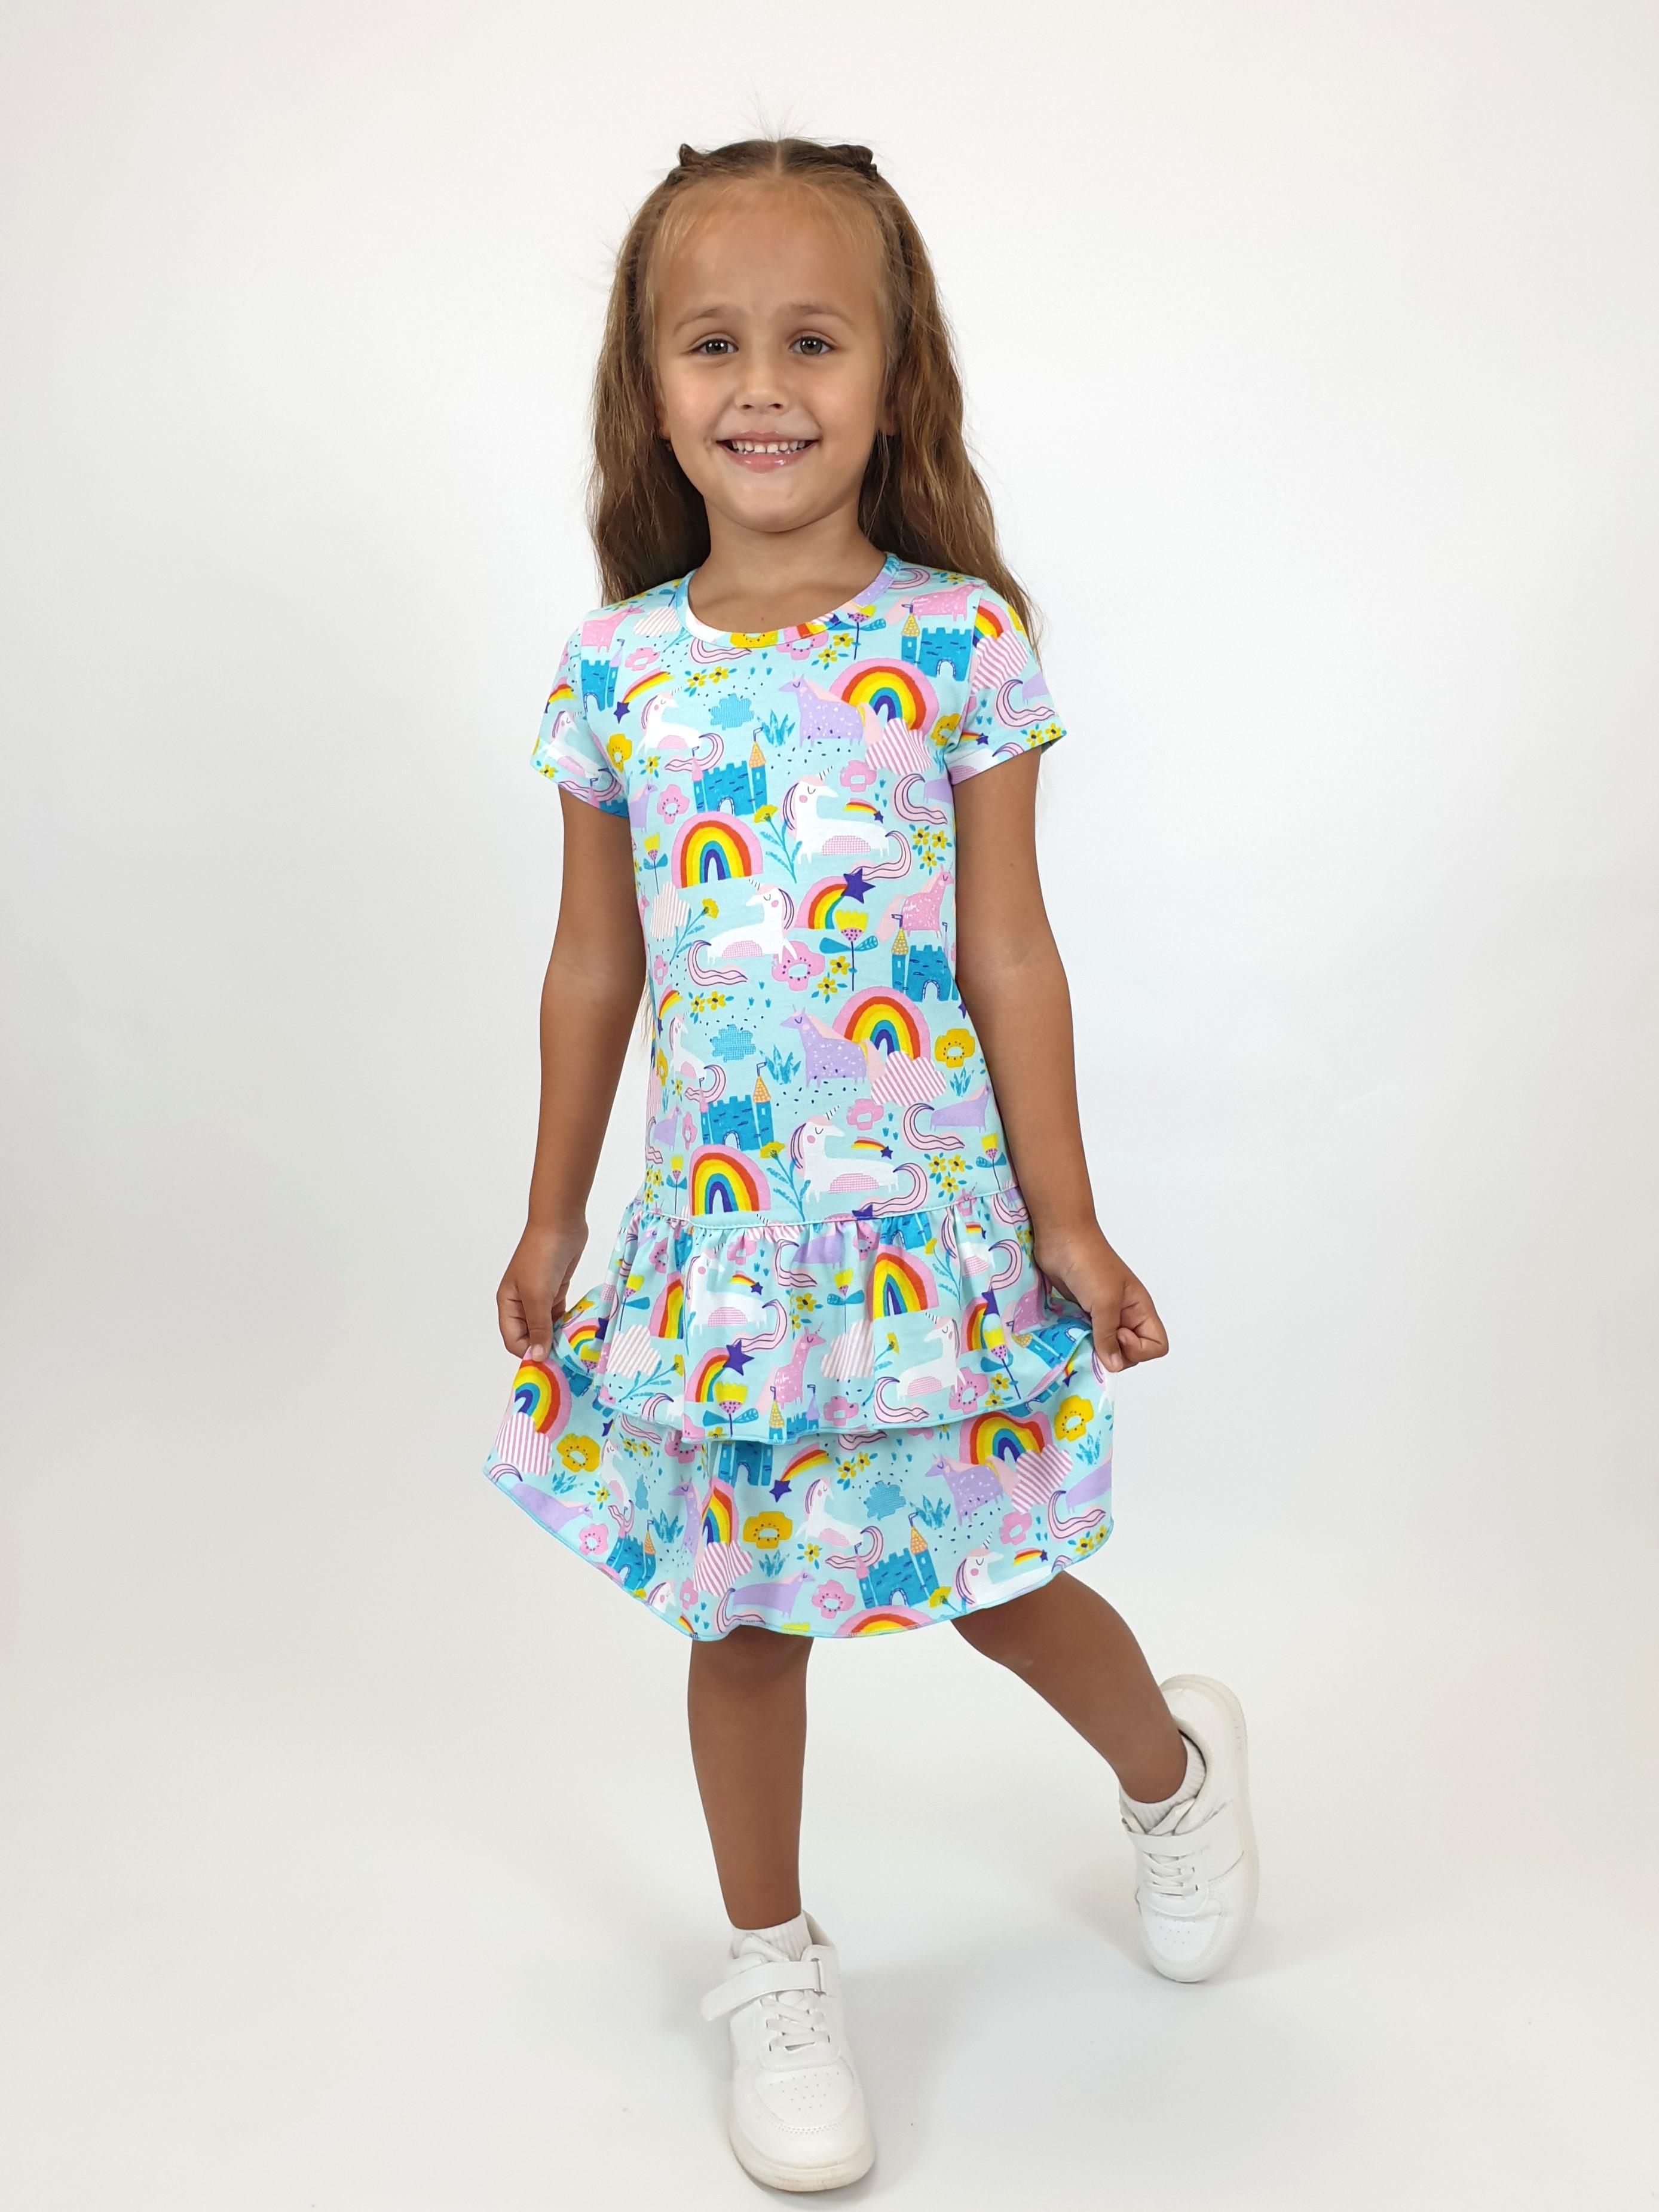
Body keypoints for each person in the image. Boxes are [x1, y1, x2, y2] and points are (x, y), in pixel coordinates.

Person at [486, 134, 1257, 2193]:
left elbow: (1009, 951)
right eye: (713, 342)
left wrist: (1068, 1222)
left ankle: (1175, 1773)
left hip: (926, 1236)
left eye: (813, 340)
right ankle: (773, 1967)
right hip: (724, 1258)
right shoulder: (617, 669)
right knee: (743, 1620)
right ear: (652, 387)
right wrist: (556, 1211)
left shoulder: (960, 643)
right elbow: (592, 965)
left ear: (896, 378)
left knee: (1002, 1586)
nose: (764, 384)